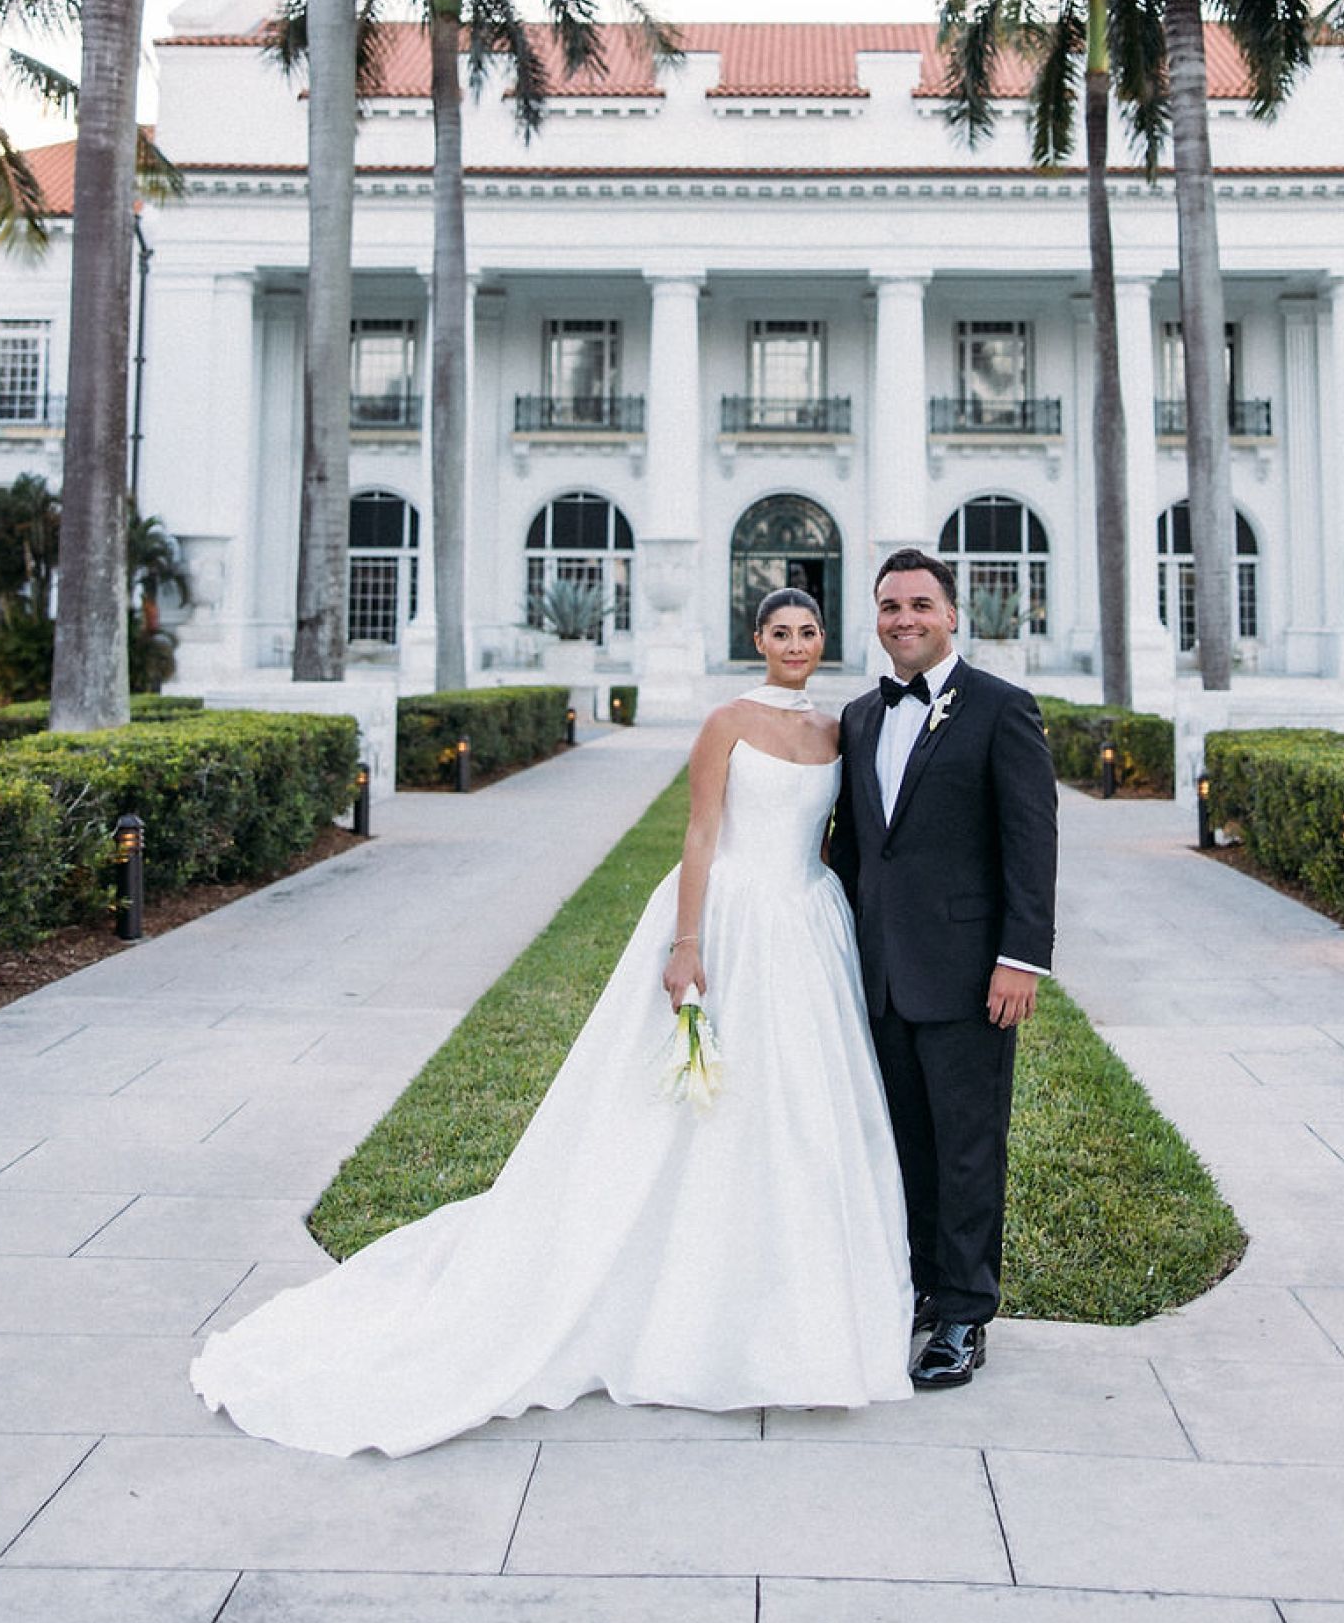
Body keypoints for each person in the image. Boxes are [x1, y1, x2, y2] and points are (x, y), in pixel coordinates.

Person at [190, 587, 912, 1455]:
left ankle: (794, 1300)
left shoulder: (836, 730)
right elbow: (697, 836)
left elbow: (836, 836)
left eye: (808, 632)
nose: (795, 644)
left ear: (822, 641)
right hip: (729, 916)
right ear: (755, 638)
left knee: (797, 1106)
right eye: (780, 632)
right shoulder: (725, 721)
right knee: (693, 1109)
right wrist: (687, 943)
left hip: (806, 926)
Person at [829, 547, 1058, 1389]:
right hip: (882, 975)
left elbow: (1032, 844)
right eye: (890, 606)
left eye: (921, 604)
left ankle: (965, 1313)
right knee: (907, 1147)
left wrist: (1020, 959)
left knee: (967, 1149)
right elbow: (856, 850)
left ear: (952, 615)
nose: (905, 619)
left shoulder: (1002, 709)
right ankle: (924, 1289)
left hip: (971, 974)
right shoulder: (858, 718)